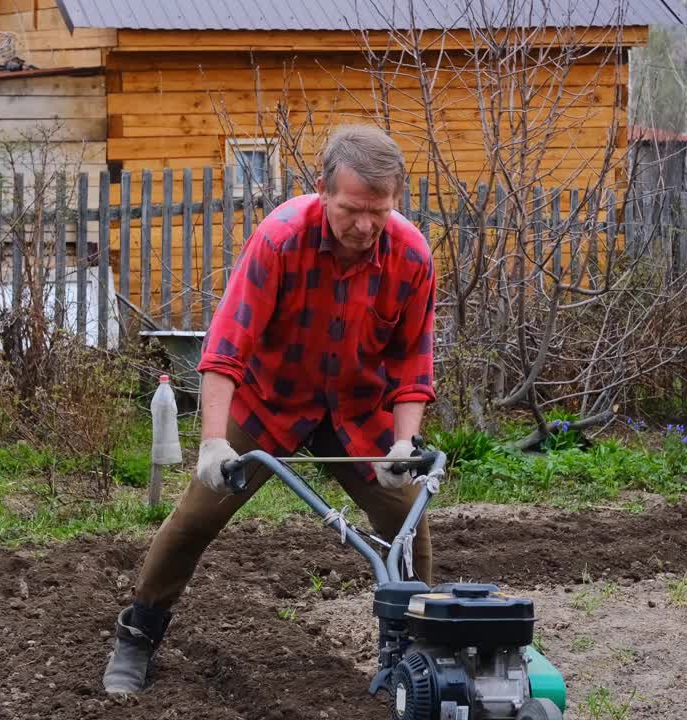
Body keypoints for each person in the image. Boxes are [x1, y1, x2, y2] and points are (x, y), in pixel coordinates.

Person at [102, 124, 437, 695]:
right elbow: (226, 347)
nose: (364, 225)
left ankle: (416, 659)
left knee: (408, 528)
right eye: (352, 209)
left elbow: (413, 362)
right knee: (195, 520)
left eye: (378, 211)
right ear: (322, 190)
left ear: (396, 199)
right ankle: (136, 638)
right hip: (270, 402)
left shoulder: (410, 256)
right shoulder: (281, 238)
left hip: (355, 412)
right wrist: (213, 443)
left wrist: (404, 444)